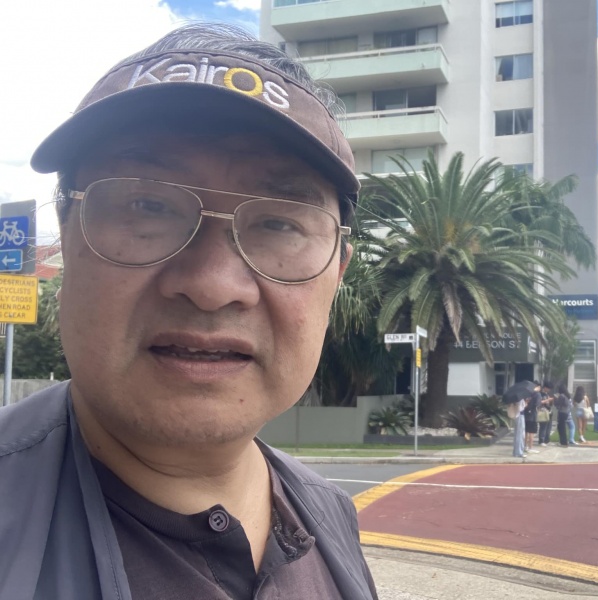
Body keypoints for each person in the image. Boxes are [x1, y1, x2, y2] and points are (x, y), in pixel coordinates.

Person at [0, 24, 379, 599]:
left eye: (279, 223)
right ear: (66, 236)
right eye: (147, 205)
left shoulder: (330, 514)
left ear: (337, 273)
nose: (213, 286)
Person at [523, 381, 542, 452]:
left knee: (526, 432)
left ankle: (525, 446)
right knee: (531, 432)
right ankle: (530, 447)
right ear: (538, 387)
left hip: (526, 414)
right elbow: (537, 404)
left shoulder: (527, 393)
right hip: (533, 415)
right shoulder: (537, 394)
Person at [554, 383, 572, 447]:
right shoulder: (567, 396)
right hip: (566, 412)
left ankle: (563, 442)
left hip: (562, 412)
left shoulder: (561, 396)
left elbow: (557, 404)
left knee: (561, 427)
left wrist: (555, 399)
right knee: (562, 427)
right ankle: (563, 441)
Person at [537, 381, 554, 446]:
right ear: (545, 387)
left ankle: (547, 440)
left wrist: (551, 400)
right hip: (543, 411)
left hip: (549, 411)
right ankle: (541, 440)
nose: (549, 390)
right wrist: (548, 400)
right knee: (543, 427)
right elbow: (539, 402)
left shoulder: (547, 394)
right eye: (548, 388)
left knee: (549, 427)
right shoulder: (540, 394)